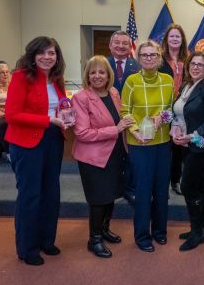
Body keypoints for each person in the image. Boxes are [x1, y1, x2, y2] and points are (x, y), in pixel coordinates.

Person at [5, 36, 68, 266]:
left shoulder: (56, 78)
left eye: (51, 53)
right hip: (26, 143)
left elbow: (61, 106)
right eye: (42, 53)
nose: (47, 57)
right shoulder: (21, 77)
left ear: (57, 57)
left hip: (53, 140)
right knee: (30, 195)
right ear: (32, 55)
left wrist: (65, 117)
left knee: (51, 193)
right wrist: (49, 120)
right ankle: (27, 248)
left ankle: (46, 241)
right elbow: (12, 115)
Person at [72, 56, 133, 258]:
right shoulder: (81, 98)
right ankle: (94, 239)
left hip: (115, 154)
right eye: (93, 72)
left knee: (110, 196)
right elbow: (81, 133)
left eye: (102, 72)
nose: (97, 76)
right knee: (98, 199)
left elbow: (122, 118)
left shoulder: (114, 93)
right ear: (87, 75)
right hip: (93, 158)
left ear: (109, 75)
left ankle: (105, 230)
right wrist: (115, 129)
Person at [120, 40, 174, 253]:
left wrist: (163, 118)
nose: (149, 58)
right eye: (145, 55)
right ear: (139, 58)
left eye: (153, 55)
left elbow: (171, 110)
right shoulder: (132, 81)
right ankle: (142, 235)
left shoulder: (168, 80)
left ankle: (160, 232)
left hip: (162, 143)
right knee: (143, 192)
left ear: (160, 58)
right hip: (139, 144)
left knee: (161, 191)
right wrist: (135, 132)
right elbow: (125, 112)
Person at [171, 52, 204, 251]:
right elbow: (179, 113)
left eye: (201, 64)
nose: (196, 67)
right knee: (199, 186)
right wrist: (174, 127)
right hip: (185, 143)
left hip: (202, 144)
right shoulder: (186, 86)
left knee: (188, 186)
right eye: (193, 63)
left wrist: (192, 135)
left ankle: (196, 232)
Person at [107, 30, 140, 204]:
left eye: (125, 43)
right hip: (107, 117)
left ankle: (128, 188)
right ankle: (113, 188)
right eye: (117, 43)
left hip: (131, 118)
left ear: (130, 46)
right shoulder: (102, 65)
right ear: (110, 45)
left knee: (129, 155)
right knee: (111, 155)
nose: (121, 46)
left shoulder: (138, 65)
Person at [159, 23, 190, 196]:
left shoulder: (188, 59)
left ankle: (176, 180)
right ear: (167, 39)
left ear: (182, 39)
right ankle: (163, 180)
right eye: (172, 36)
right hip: (164, 107)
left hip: (183, 109)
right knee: (165, 146)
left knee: (179, 146)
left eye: (178, 36)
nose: (175, 39)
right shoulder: (160, 59)